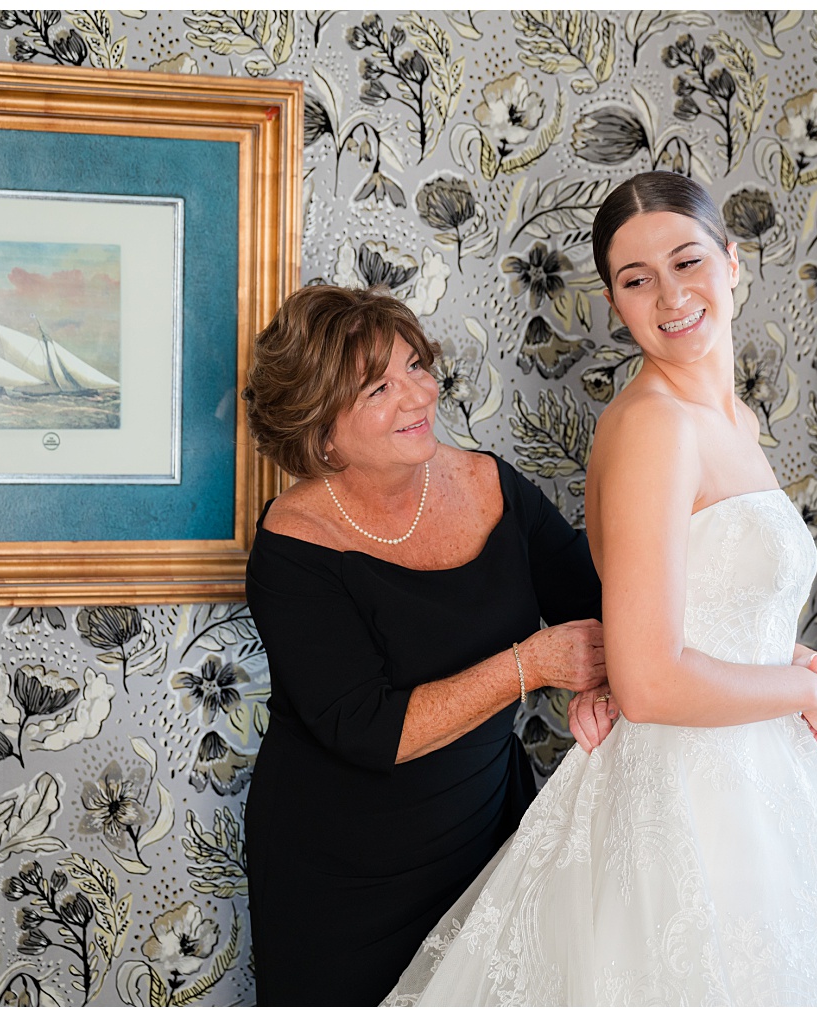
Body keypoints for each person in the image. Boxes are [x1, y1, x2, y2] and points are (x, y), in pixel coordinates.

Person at [385, 172, 817, 1006]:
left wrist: (812, 666)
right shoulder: (651, 426)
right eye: (637, 280)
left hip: (756, 785)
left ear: (733, 263)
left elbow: (713, 609)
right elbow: (650, 677)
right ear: (614, 301)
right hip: (685, 796)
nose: (671, 295)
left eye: (688, 261)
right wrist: (804, 688)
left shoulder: (735, 424)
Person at [240, 285, 619, 1006]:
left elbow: (599, 604)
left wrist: (639, 671)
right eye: (378, 386)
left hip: (481, 835)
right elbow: (367, 726)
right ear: (320, 427)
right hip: (338, 874)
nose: (418, 394)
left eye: (416, 364)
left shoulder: (491, 485)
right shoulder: (293, 547)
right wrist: (530, 664)